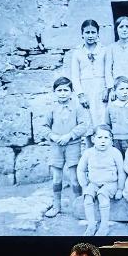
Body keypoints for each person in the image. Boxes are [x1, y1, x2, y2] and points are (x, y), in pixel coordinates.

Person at [41, 76, 91, 218]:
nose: (62, 93)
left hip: (73, 145)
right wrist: (53, 136)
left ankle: (77, 207)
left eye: (66, 90)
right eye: (59, 90)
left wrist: (69, 136)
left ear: (71, 91)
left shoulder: (77, 107)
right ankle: (56, 206)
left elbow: (83, 125)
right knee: (57, 178)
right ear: (54, 92)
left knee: (74, 178)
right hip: (56, 147)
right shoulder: (51, 108)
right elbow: (44, 127)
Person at [76, 125, 125, 237]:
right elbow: (81, 170)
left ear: (111, 140)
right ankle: (91, 225)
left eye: (106, 138)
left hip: (110, 183)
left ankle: (104, 226)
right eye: (99, 137)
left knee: (103, 196)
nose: (103, 141)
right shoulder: (88, 153)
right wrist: (84, 185)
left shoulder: (115, 152)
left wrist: (120, 189)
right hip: (93, 183)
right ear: (93, 139)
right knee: (88, 198)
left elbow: (121, 172)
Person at [68, 19, 108, 130]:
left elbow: (108, 71)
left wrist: (107, 89)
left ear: (98, 34)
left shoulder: (104, 50)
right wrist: (81, 95)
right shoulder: (77, 52)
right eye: (87, 32)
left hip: (101, 88)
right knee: (87, 119)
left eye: (93, 32)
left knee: (102, 116)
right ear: (82, 34)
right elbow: (75, 76)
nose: (90, 35)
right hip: (85, 89)